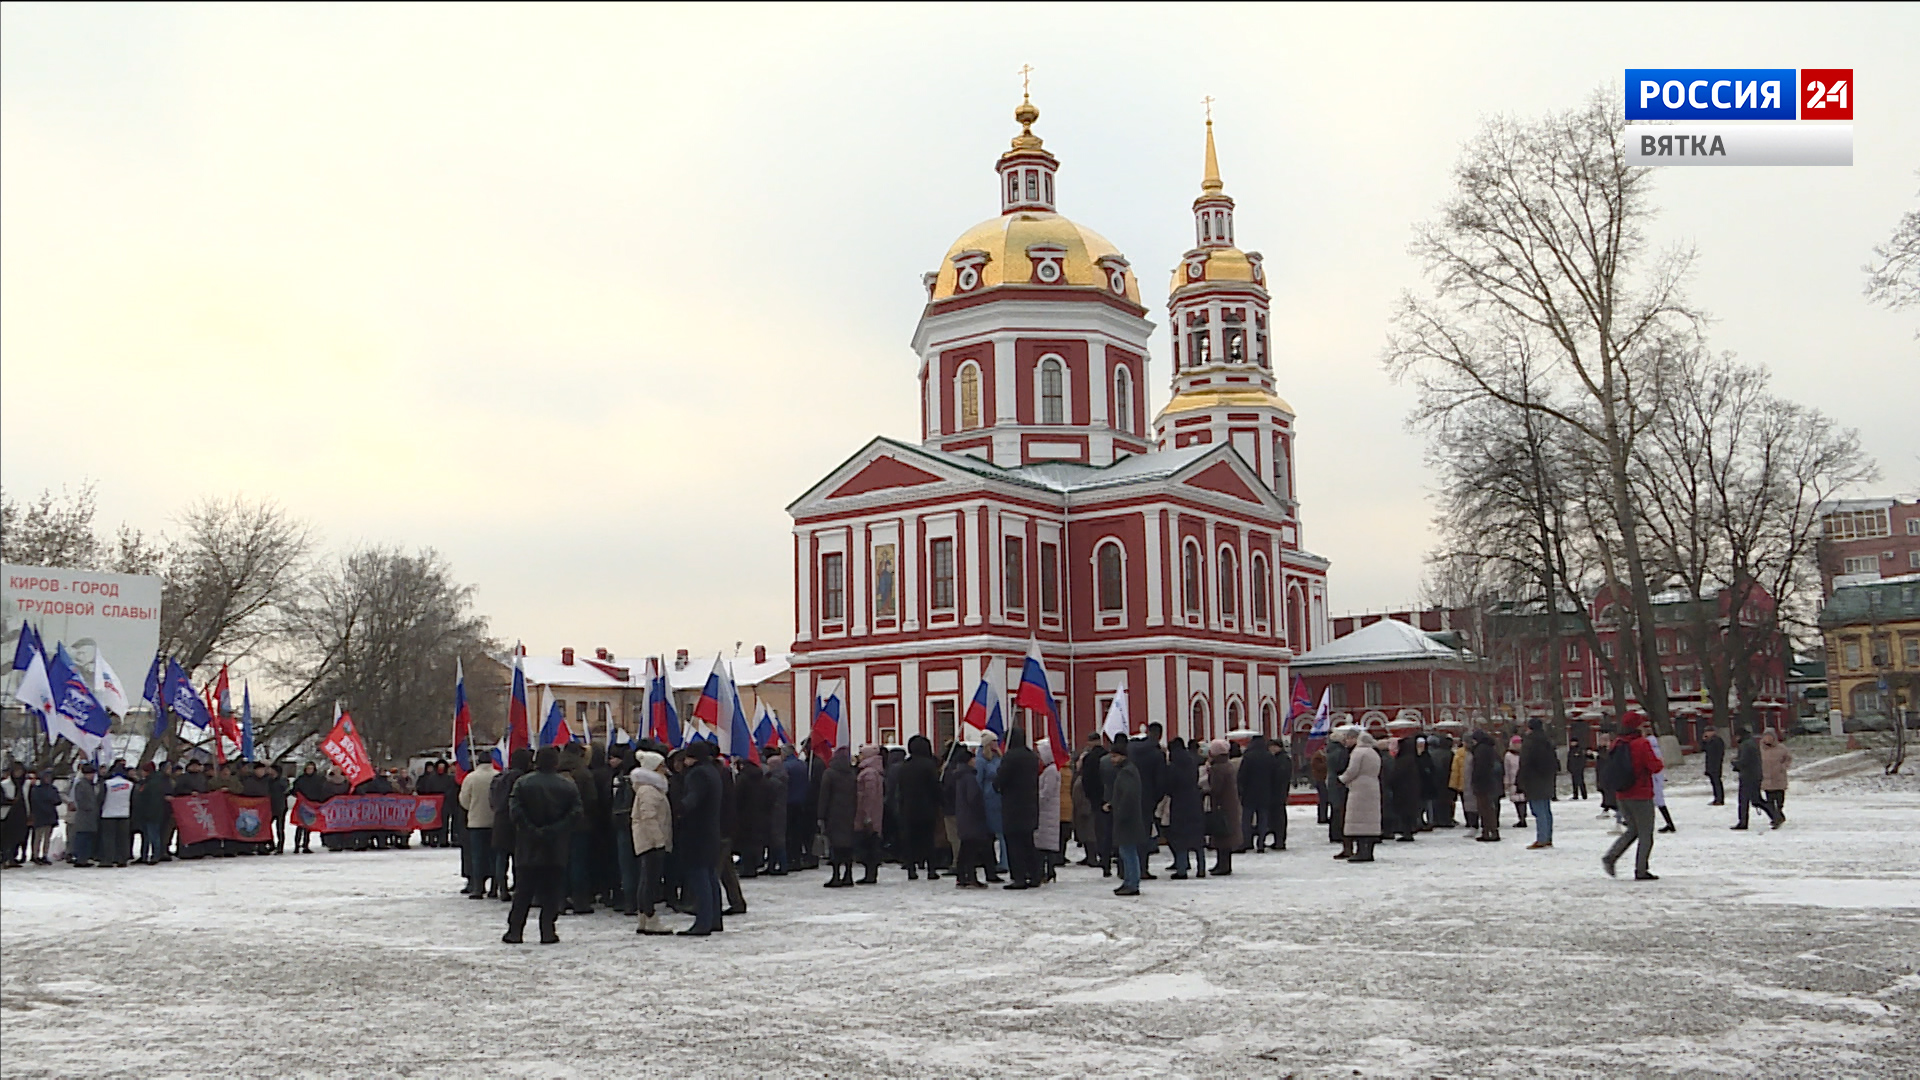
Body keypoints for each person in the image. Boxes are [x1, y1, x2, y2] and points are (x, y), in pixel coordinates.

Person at [504, 747, 583, 944]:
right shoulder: (568, 785)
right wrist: (555, 830)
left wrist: (531, 830)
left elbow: (515, 811)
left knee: (523, 891)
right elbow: (576, 813)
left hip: (528, 845)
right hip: (556, 846)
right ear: (556, 762)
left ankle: (515, 930)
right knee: (552, 891)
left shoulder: (522, 783)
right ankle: (547, 930)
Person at [1601, 715, 1664, 881]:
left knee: (1633, 829)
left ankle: (1611, 856)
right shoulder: (1642, 744)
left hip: (1622, 794)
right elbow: (1655, 766)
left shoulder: (1618, 743)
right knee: (1645, 833)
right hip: (1641, 793)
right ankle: (1641, 869)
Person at [676, 742, 725, 935]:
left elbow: (693, 799)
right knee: (710, 876)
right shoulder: (713, 771)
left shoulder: (697, 774)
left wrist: (679, 808)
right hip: (711, 830)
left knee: (699, 875)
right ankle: (714, 919)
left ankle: (703, 921)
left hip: (697, 831)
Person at [629, 751, 674, 934]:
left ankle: (644, 917)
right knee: (650, 881)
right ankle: (649, 916)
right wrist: (659, 841)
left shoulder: (650, 788)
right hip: (651, 841)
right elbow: (649, 817)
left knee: (647, 879)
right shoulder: (648, 790)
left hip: (649, 840)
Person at [996, 729, 1041, 890]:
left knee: (1014, 843)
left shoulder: (1010, 757)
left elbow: (1000, 779)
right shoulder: (1031, 756)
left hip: (1013, 806)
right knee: (1028, 842)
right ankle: (1035, 875)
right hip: (1030, 804)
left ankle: (1019, 877)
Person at [896, 735, 942, 881]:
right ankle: (931, 869)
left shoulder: (904, 766)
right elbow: (935, 787)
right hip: (927, 807)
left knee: (910, 840)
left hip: (908, 807)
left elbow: (900, 788)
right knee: (928, 839)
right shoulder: (929, 765)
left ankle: (911, 868)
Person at [945, 744, 990, 887]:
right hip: (971, 817)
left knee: (965, 847)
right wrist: (981, 810)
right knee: (970, 848)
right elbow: (973, 798)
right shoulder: (969, 777)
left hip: (963, 816)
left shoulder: (959, 775)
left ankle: (962, 875)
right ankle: (970, 876)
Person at [492, 748, 534, 900]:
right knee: (518, 856)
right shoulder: (523, 778)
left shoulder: (498, 778)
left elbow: (493, 800)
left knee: (501, 857)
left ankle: (501, 887)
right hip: (516, 821)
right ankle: (517, 886)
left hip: (500, 820)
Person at [1161, 738, 1206, 879]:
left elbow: (1168, 786)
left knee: (1179, 837)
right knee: (1197, 838)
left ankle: (1182, 869)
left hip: (1179, 803)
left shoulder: (1173, 766)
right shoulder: (1192, 762)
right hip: (1194, 801)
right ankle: (1201, 868)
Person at [1106, 736, 1144, 896]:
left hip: (1127, 818)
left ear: (1123, 756)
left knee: (1128, 851)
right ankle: (1129, 881)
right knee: (1125, 851)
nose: (1112, 760)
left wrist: (1119, 811)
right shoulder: (1127, 770)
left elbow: (1128, 795)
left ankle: (1132, 882)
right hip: (1128, 817)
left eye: (1114, 756)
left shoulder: (1127, 772)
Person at [1338, 732, 1384, 862]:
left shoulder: (1358, 752)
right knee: (1370, 821)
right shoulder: (1373, 753)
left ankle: (1360, 851)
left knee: (1359, 821)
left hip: (1359, 789)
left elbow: (1352, 770)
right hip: (1373, 787)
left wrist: (1342, 779)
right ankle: (1368, 851)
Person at [459, 754, 498, 899]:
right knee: (494, 855)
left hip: (476, 822)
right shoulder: (497, 776)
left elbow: (464, 800)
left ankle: (478, 887)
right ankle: (495, 886)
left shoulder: (471, 778)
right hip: (494, 822)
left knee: (477, 856)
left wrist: (473, 809)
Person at [818, 746, 858, 888]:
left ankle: (836, 875)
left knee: (835, 846)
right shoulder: (852, 774)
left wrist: (821, 815)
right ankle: (848, 874)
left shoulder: (829, 774)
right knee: (847, 846)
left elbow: (824, 796)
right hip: (849, 814)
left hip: (833, 814)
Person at [1519, 718, 1559, 849]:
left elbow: (1524, 763)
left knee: (1538, 810)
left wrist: (1520, 781)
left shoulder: (1529, 743)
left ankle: (1541, 838)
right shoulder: (1547, 742)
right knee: (1546, 810)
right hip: (1546, 779)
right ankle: (1547, 837)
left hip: (1533, 779)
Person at [1203, 738, 1241, 875]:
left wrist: (1205, 790)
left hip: (1221, 805)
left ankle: (1223, 865)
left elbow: (1216, 788)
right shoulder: (1227, 764)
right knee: (1226, 835)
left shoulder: (1218, 768)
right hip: (1229, 804)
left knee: (1221, 835)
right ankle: (1223, 864)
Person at [853, 744, 887, 885]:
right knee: (870, 842)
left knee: (869, 843)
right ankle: (870, 872)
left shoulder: (869, 773)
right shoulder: (873, 771)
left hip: (868, 814)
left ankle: (870, 873)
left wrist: (867, 815)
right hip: (872, 812)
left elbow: (869, 796)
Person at [976, 731, 1005, 880]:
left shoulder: (998, 758)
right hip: (987, 800)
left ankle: (1003, 862)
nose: (997, 744)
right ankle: (991, 864)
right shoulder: (981, 759)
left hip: (999, 799)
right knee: (990, 834)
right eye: (994, 741)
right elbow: (978, 781)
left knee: (1002, 833)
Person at [1237, 734, 1274, 852]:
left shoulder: (1248, 756)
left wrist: (1241, 790)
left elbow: (1242, 776)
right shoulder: (1269, 756)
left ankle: (1247, 842)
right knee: (1263, 819)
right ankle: (1261, 843)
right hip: (1265, 792)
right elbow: (1274, 775)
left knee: (1247, 819)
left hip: (1249, 793)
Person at [66, 762, 102, 867]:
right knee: (82, 838)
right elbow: (80, 800)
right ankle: (80, 858)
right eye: (90, 774)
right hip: (84, 815)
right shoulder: (81, 784)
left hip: (91, 816)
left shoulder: (92, 785)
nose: (92, 776)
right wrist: (90, 807)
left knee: (88, 838)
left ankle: (85, 858)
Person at [1387, 735, 1423, 842]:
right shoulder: (1413, 758)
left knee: (1404, 812)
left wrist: (1390, 782)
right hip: (1412, 789)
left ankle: (1407, 832)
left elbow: (1396, 775)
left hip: (1403, 790)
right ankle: (1408, 831)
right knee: (1409, 811)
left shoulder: (1403, 759)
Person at [98, 764, 134, 867]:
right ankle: (122, 859)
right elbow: (133, 800)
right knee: (123, 839)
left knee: (108, 838)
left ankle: (107, 860)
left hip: (108, 814)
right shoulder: (130, 784)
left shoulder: (107, 784)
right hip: (124, 814)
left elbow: (100, 798)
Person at [1469, 730, 1502, 843]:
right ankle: (1491, 831)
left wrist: (1475, 781)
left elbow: (1479, 768)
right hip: (1490, 782)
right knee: (1488, 808)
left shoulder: (1480, 750)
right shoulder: (1490, 748)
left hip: (1482, 783)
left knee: (1484, 808)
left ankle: (1489, 831)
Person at [1328, 727, 1356, 857]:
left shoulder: (1330, 750)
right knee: (1341, 812)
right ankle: (1341, 835)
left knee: (1336, 810)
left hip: (1333, 783)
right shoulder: (1341, 751)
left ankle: (1335, 834)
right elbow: (1343, 767)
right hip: (1340, 784)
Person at [1035, 745, 1061, 883]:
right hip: (1048, 811)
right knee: (1047, 843)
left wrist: (1036, 799)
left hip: (1047, 811)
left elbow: (1047, 792)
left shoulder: (1051, 771)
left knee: (1046, 844)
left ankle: (1049, 871)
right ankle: (1049, 871)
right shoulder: (1050, 770)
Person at [763, 745, 789, 876]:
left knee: (777, 840)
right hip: (780, 811)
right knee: (774, 840)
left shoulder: (774, 781)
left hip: (775, 812)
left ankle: (783, 865)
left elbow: (768, 798)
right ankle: (773, 865)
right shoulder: (782, 776)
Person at [28, 769, 63, 865]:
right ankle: (35, 855)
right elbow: (35, 802)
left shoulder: (52, 789)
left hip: (50, 815)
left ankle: (44, 854)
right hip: (40, 815)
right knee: (38, 837)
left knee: (47, 837)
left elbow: (58, 800)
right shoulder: (37, 789)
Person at [291, 763, 326, 854]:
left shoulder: (319, 779)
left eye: (311, 768)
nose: (309, 770)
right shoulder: (301, 779)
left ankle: (306, 845)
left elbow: (322, 790)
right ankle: (296, 845)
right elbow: (294, 790)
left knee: (309, 826)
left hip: (313, 805)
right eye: (308, 768)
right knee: (300, 825)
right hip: (302, 805)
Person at [1759, 730, 1792, 828]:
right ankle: (1775, 818)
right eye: (1766, 737)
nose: (1767, 739)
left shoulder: (1781, 748)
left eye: (1770, 737)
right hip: (1766, 778)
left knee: (1779, 799)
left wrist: (1783, 767)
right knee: (1769, 800)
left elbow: (1788, 759)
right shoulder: (1760, 749)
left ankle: (1779, 813)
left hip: (1779, 778)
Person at [2, 764, 33, 868]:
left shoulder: (27, 784)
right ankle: (7, 858)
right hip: (9, 813)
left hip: (23, 812)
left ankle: (14, 857)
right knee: (8, 837)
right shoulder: (5, 784)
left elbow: (30, 799)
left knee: (19, 837)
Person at [1269, 738, 1294, 849]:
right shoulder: (1281, 758)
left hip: (1278, 792)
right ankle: (1278, 839)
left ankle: (1280, 840)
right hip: (1279, 792)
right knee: (1276, 817)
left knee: (1278, 817)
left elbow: (1280, 776)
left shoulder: (1282, 759)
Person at [1567, 717, 1593, 802]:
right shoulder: (1571, 750)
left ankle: (1584, 794)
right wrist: (1569, 767)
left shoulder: (1579, 749)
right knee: (1574, 782)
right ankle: (1575, 795)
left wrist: (1581, 766)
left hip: (1579, 768)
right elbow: (1569, 759)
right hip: (1573, 768)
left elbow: (1582, 758)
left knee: (1581, 781)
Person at [1504, 736, 1527, 829]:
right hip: (1513, 780)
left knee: (1523, 799)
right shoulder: (1508, 755)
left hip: (1524, 779)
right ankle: (1521, 817)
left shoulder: (1524, 753)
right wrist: (1506, 781)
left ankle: (1523, 818)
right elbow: (1506, 769)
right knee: (1517, 800)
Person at [1700, 726, 1727, 805]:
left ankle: (1719, 799)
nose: (1706, 733)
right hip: (1710, 764)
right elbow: (1703, 749)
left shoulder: (1717, 741)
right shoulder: (1710, 741)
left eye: (1707, 732)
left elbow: (1717, 752)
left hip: (1716, 764)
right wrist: (1704, 741)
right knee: (1714, 782)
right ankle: (1716, 798)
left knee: (1717, 782)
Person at [1310, 744, 1330, 825]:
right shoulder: (1318, 756)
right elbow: (1316, 766)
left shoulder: (1320, 755)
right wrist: (1327, 764)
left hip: (1322, 779)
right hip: (1320, 779)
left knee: (1324, 799)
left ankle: (1323, 816)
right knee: (1323, 799)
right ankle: (1322, 817)